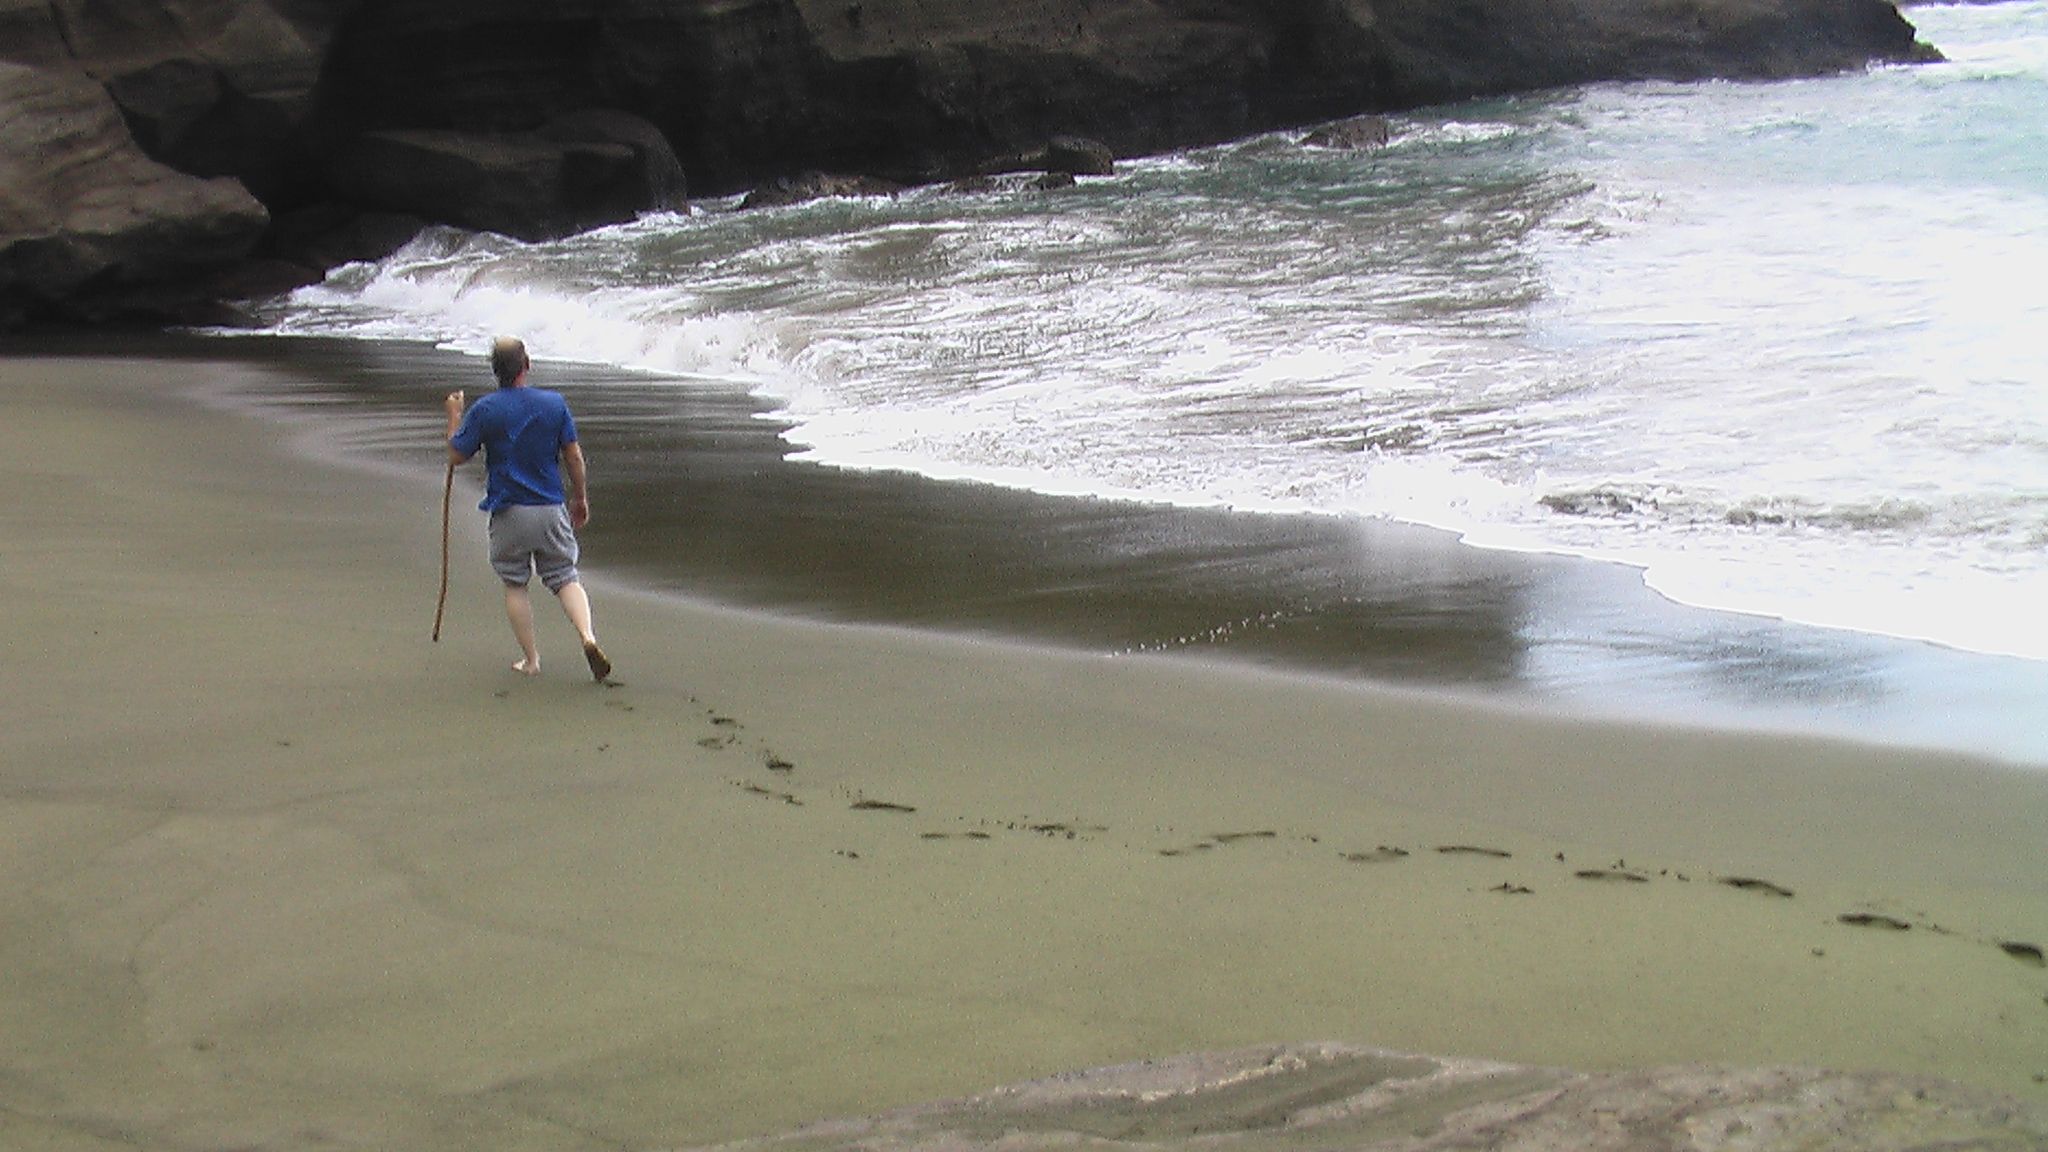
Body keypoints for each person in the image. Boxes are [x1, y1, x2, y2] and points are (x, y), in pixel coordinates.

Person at [445, 336, 612, 681]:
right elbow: (574, 456)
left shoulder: (486, 410)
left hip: (509, 511)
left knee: (515, 583)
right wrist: (580, 498)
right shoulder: (554, 404)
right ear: (527, 365)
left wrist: (454, 416)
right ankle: (588, 636)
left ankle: (532, 660)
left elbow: (456, 455)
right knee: (565, 577)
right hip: (550, 507)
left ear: (495, 371)